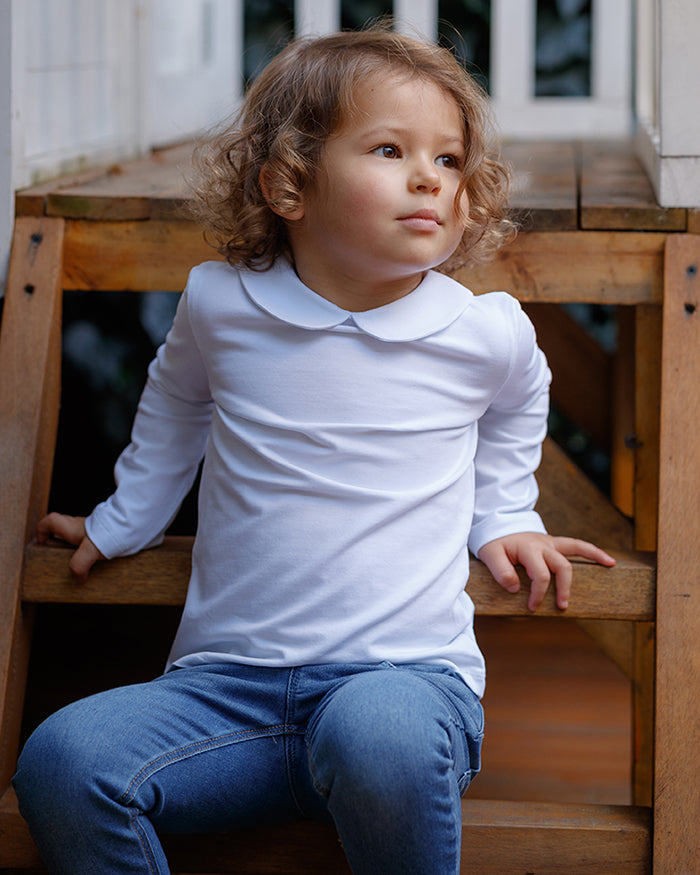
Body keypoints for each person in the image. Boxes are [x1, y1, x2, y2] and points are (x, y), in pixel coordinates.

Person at [13, 25, 615, 875]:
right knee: (64, 758)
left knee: (377, 732)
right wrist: (125, 520)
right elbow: (176, 399)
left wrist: (504, 513)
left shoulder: (483, 331)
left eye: (448, 160)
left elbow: (518, 406)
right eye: (388, 148)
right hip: (224, 698)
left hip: (405, 692)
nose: (429, 179)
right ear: (289, 183)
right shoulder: (223, 306)